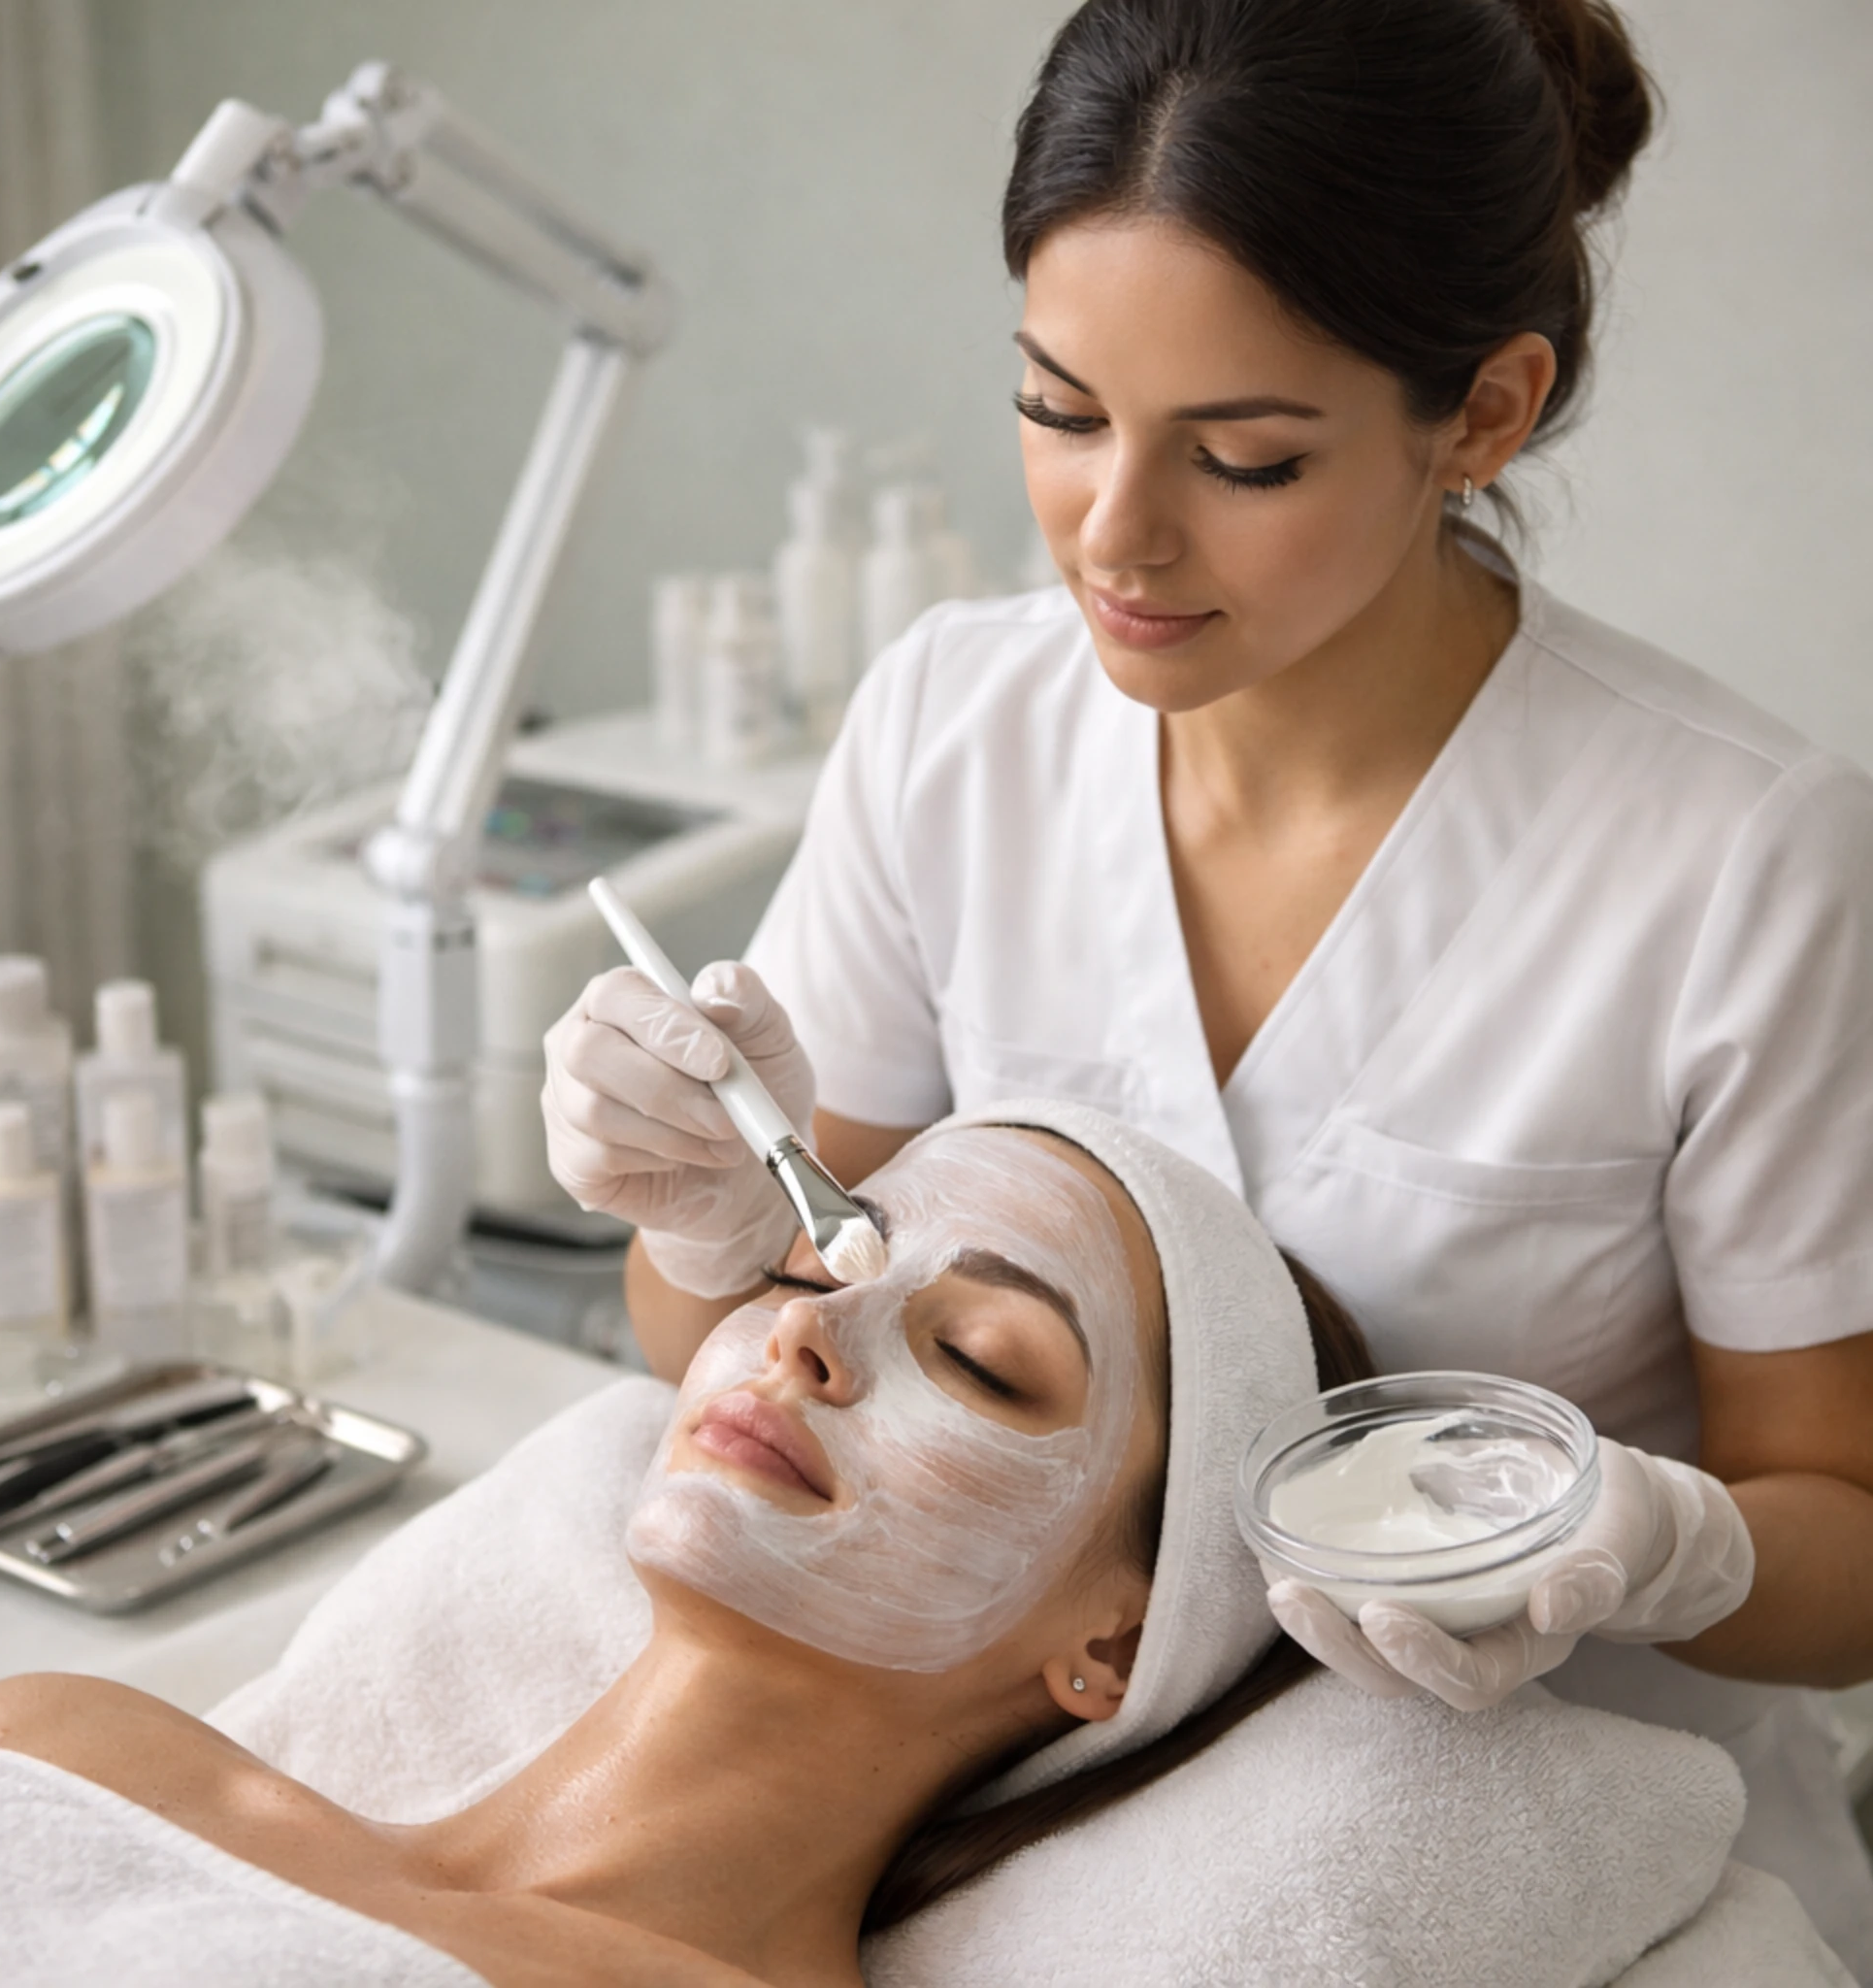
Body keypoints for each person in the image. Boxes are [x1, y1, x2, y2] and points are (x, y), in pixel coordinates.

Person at [540, 0, 1873, 1966]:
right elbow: (726, 1332)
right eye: (1059, 411)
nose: (1117, 535)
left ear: (1485, 416)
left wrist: (1656, 1544)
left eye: (1242, 456)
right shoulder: (951, 726)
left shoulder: (1738, 854)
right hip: (1036, 1825)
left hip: (1550, 1860)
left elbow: (1846, 1536)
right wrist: (703, 1214)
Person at [0, 1107, 1372, 1988]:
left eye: (980, 1359)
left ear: (1109, 1643)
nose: (803, 1327)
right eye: (814, 1263)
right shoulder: (59, 1753)